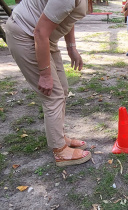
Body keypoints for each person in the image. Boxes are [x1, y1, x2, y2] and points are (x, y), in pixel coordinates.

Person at [5, 0, 92, 166]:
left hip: (43, 37)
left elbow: (64, 16)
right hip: (27, 35)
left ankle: (59, 137)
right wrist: (44, 74)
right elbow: (40, 32)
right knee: (53, 95)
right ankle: (60, 151)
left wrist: (71, 47)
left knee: (63, 89)